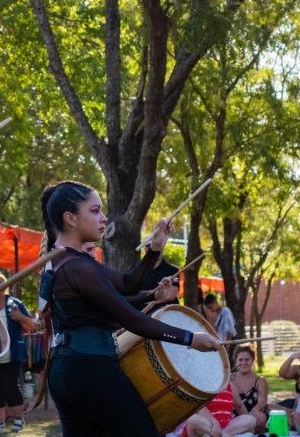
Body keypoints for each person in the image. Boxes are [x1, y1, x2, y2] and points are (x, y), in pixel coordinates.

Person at [39, 180, 220, 436]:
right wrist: (190, 338)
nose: (103, 217)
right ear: (70, 218)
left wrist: (154, 249)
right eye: (94, 211)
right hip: (90, 369)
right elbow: (131, 319)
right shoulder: (77, 267)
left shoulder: (67, 260)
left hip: (67, 371)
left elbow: (127, 284)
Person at [0, 273, 33, 432]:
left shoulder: (14, 304)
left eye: (0, 282)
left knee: (10, 387)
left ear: (6, 285)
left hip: (11, 354)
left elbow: (30, 325)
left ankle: (19, 419)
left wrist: (19, 316)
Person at [180, 383, 256, 437]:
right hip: (204, 428)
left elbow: (240, 407)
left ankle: (219, 435)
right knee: (192, 419)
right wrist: (215, 423)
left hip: (226, 426)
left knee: (251, 419)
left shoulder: (229, 385)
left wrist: (249, 427)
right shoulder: (200, 384)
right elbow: (199, 407)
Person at [126, 248, 180, 313]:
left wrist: (151, 300)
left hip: (165, 312)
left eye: (159, 246)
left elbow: (170, 296)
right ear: (145, 249)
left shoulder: (172, 270)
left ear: (162, 249)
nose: (156, 249)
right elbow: (129, 294)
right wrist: (155, 294)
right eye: (149, 246)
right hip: (139, 313)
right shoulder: (136, 271)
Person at [230, 344, 269, 433]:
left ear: (253, 361)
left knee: (262, 417)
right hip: (232, 416)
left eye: (247, 359)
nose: (243, 363)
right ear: (236, 361)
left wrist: (254, 412)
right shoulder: (229, 378)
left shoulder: (260, 380)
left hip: (252, 414)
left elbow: (262, 402)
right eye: (240, 360)